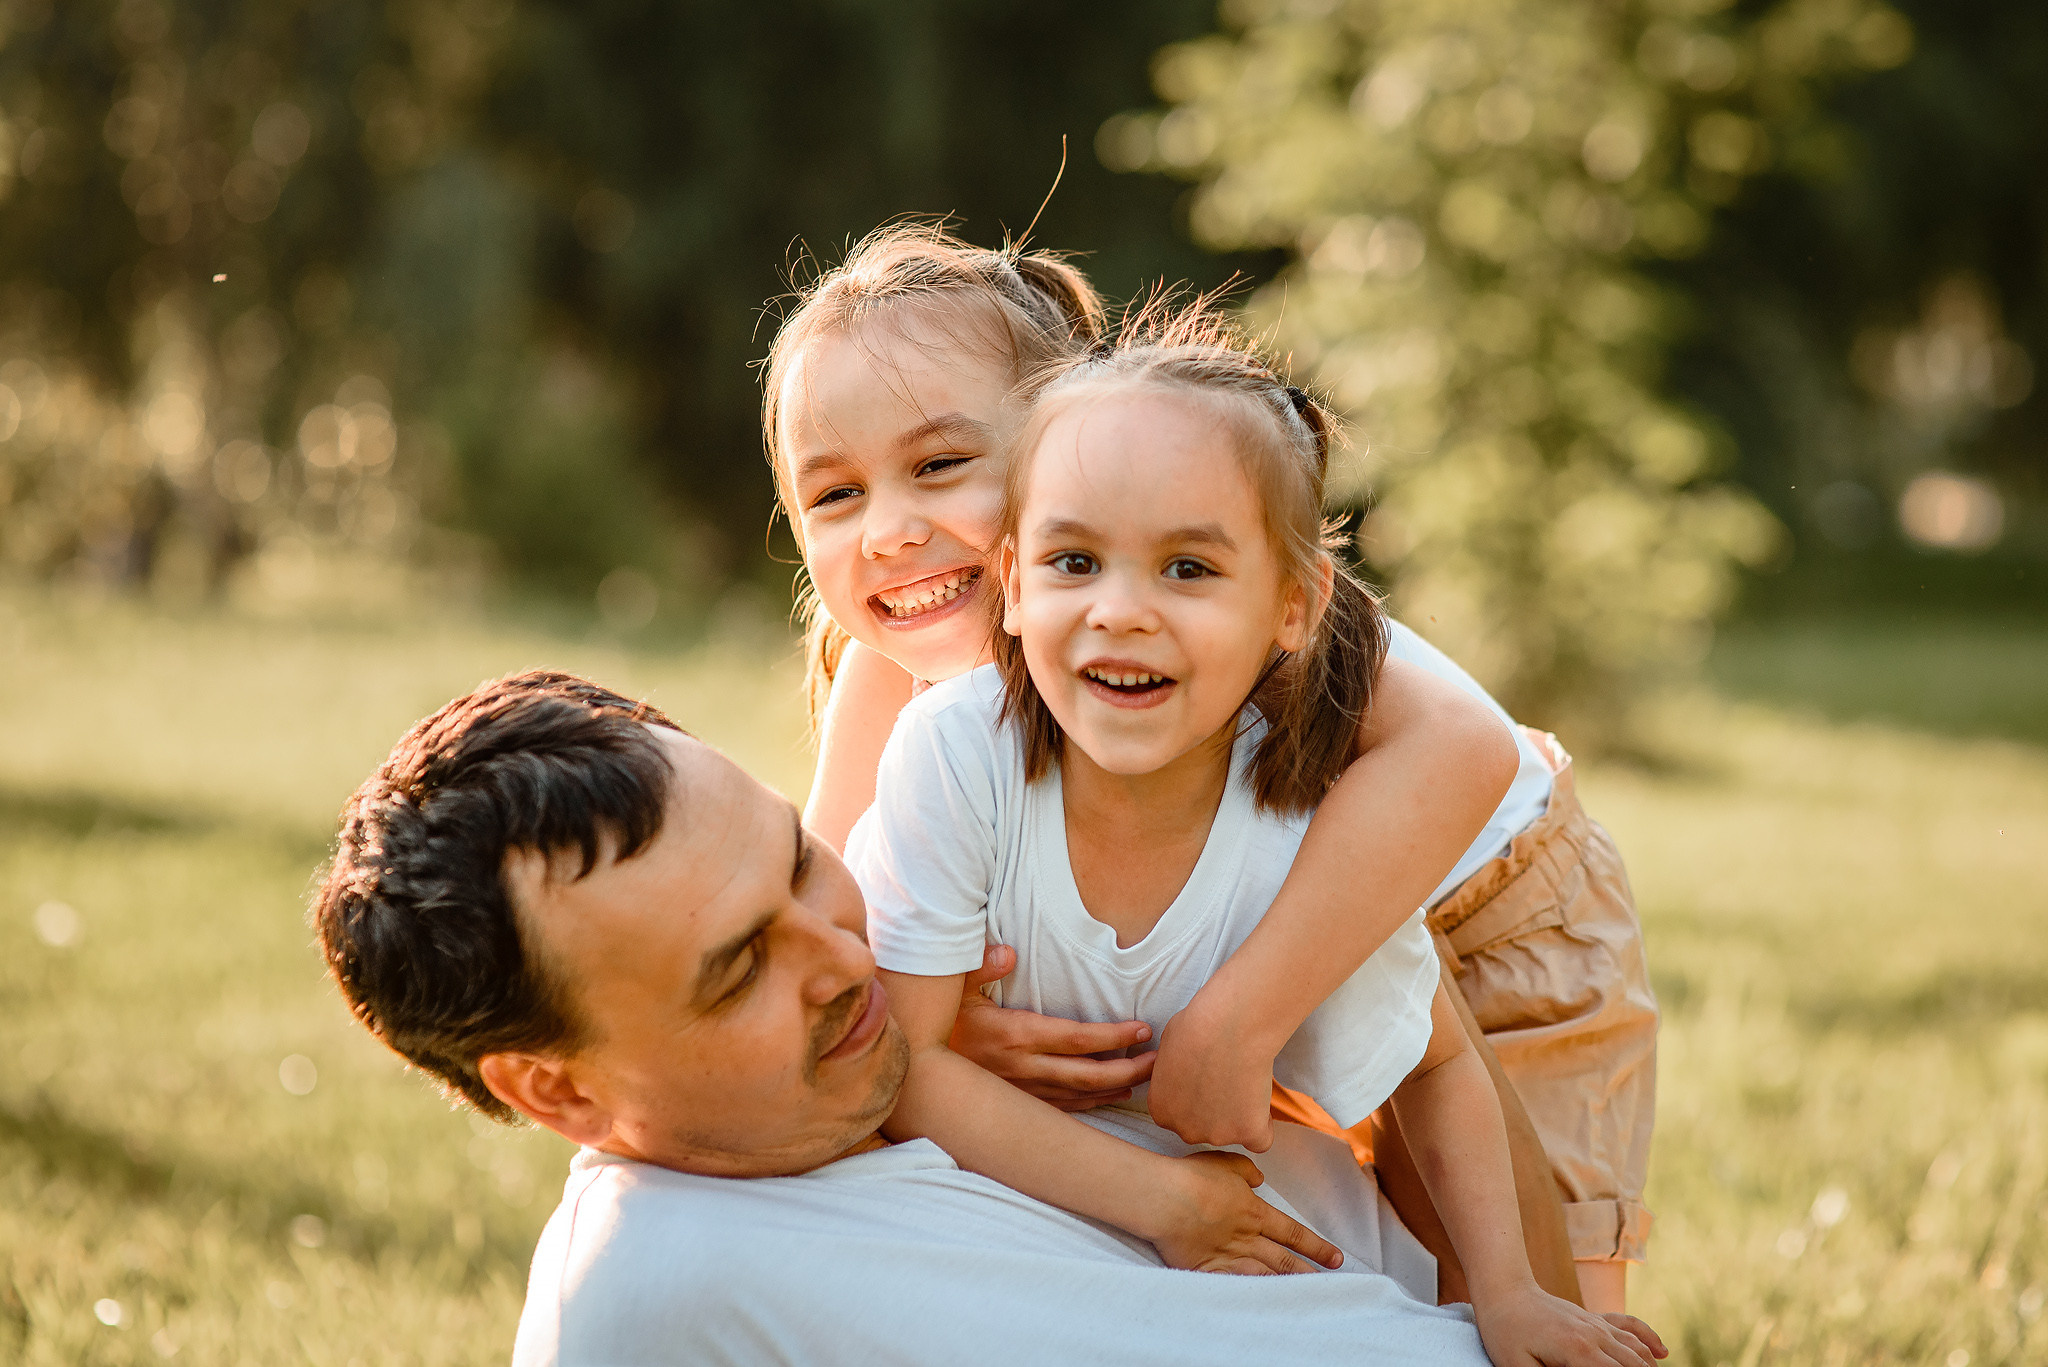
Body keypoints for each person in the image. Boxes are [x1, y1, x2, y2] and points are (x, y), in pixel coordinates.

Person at [763, 224, 1657, 1309]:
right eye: (835, 495)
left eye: (939, 466)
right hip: (1242, 911)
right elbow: (832, 932)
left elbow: (1462, 749)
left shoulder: (1214, 594)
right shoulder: (899, 687)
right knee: (1385, 1257)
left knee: (1554, 1297)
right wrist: (947, 1030)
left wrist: (1244, 1013)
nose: (890, 532)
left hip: (1495, 897)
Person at [309, 671, 1666, 1366]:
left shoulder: (950, 972)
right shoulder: (676, 1288)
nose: (842, 953)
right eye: (734, 971)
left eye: (799, 861)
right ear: (556, 1090)